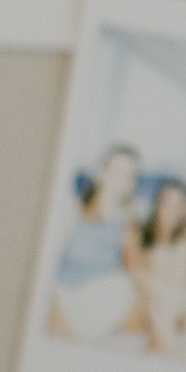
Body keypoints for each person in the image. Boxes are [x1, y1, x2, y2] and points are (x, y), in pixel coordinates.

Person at [48, 144, 141, 341]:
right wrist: (55, 310)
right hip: (61, 293)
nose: (121, 179)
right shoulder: (72, 211)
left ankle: (76, 333)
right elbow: (48, 267)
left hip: (95, 297)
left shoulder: (127, 223)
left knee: (121, 287)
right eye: (117, 171)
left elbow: (131, 273)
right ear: (102, 173)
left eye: (128, 174)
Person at [129, 178, 186, 355]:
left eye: (177, 205)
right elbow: (132, 271)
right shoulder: (141, 231)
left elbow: (181, 285)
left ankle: (164, 341)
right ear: (157, 204)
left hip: (171, 307)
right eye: (166, 203)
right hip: (144, 301)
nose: (171, 210)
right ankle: (167, 343)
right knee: (160, 297)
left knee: (170, 298)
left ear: (184, 211)